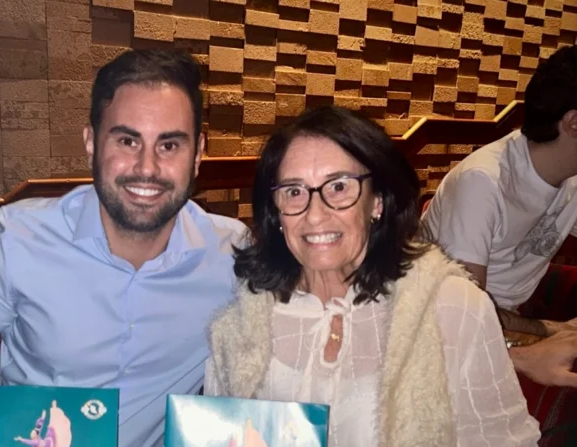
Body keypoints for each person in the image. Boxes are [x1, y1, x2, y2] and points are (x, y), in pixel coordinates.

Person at [0, 49, 246, 447]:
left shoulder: (233, 257)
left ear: (197, 153)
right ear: (91, 142)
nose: (147, 167)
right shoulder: (22, 240)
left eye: (169, 145)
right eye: (127, 140)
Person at [204, 106, 540, 446]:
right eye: (294, 191)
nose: (315, 215)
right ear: (275, 212)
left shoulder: (451, 307)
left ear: (377, 200)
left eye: (338, 187)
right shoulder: (241, 323)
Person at [421, 45, 577, 389]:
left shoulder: (571, 178)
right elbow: (462, 319)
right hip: (439, 334)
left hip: (510, 322)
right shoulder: (483, 183)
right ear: (573, 122)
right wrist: (550, 330)